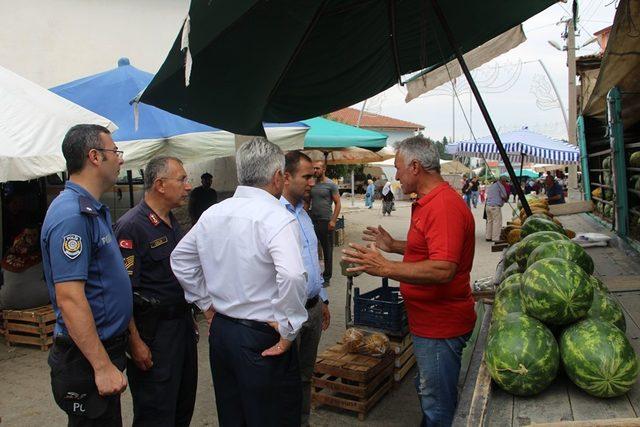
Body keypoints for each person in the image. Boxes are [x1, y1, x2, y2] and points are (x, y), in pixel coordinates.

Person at [170, 137, 308, 427]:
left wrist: (206, 302)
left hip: (224, 333)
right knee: (273, 417)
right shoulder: (276, 217)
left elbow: (180, 259)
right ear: (277, 177)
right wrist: (289, 327)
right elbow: (293, 275)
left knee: (233, 416)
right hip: (260, 336)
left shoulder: (213, 213)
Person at [342, 135, 476, 426]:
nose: (397, 175)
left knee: (437, 404)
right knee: (431, 392)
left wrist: (386, 268)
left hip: (440, 325)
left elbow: (443, 269)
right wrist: (394, 246)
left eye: (399, 168)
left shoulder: (443, 206)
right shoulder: (429, 202)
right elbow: (432, 248)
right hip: (428, 322)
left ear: (415, 167)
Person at [40, 124, 131, 425]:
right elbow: (69, 298)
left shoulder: (92, 209)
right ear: (94, 156)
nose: (120, 159)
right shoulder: (72, 215)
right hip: (86, 358)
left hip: (103, 349)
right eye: (115, 151)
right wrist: (101, 365)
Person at [114, 156, 197, 426]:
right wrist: (134, 342)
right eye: (182, 179)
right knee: (155, 414)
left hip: (181, 328)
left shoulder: (172, 222)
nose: (188, 186)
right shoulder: (132, 226)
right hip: (154, 335)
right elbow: (123, 292)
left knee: (182, 407)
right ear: (160, 184)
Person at [280, 151, 331, 427]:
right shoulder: (274, 215)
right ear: (286, 177)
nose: (312, 182)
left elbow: (313, 259)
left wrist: (322, 298)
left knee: (305, 375)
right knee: (284, 377)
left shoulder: (303, 212)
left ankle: (303, 421)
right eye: (307, 176)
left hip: (312, 308)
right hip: (289, 312)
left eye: (313, 176)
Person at [310, 160, 342, 287]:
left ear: (324, 169)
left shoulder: (331, 185)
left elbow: (338, 203)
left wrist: (333, 220)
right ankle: (314, 273)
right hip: (313, 220)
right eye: (314, 168)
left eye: (317, 168)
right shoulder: (312, 183)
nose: (315, 171)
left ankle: (327, 277)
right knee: (312, 247)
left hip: (326, 221)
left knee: (327, 250)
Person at [485, 176, 509, 243]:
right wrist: (506, 199)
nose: (506, 183)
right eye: (505, 181)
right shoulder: (501, 186)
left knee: (489, 221)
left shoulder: (492, 185)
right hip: (495, 206)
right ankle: (495, 238)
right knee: (497, 222)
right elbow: (504, 196)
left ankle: (488, 237)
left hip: (488, 206)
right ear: (503, 181)